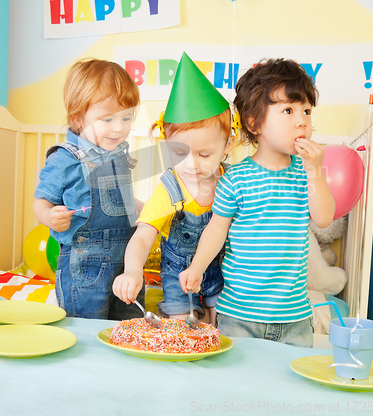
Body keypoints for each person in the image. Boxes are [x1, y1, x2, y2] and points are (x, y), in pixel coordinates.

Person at [179, 58, 335, 347]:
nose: (301, 120)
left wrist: (315, 170)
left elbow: (324, 218)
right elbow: (216, 230)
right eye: (288, 110)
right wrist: (197, 267)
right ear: (254, 122)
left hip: (295, 317)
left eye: (306, 111)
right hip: (239, 316)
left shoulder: (307, 175)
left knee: (290, 387)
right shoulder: (236, 179)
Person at [113, 52, 236, 325]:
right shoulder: (169, 190)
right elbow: (143, 237)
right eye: (179, 152)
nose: (191, 164)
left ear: (227, 146)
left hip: (220, 272)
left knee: (221, 327)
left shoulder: (233, 181)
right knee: (181, 328)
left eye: (204, 154)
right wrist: (133, 271)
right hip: (177, 277)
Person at [33, 58, 145, 320]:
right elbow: (40, 202)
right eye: (107, 119)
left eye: (126, 117)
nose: (119, 127)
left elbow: (124, 201)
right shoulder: (64, 159)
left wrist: (148, 211)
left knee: (128, 325)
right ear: (78, 118)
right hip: (84, 265)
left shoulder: (119, 156)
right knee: (85, 327)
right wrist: (49, 216)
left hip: (126, 261)